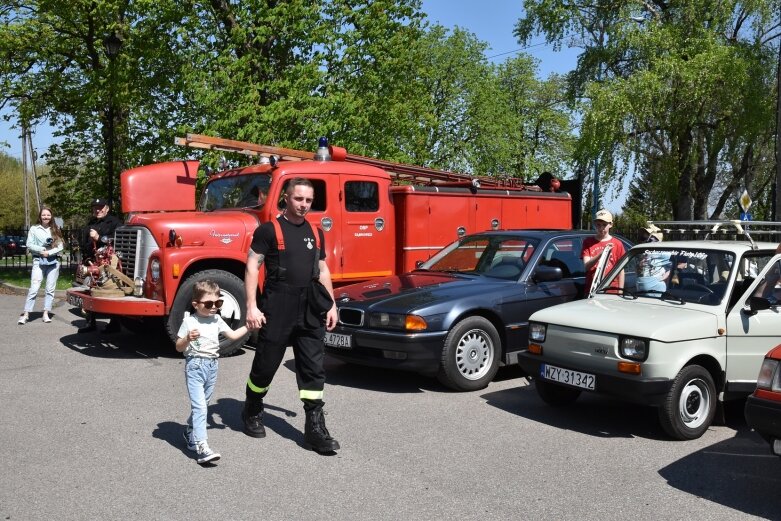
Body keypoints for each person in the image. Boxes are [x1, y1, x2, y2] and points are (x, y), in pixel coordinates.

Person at [241, 178, 341, 454]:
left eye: (308, 200)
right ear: (286, 198)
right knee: (266, 363)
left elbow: (322, 269)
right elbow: (252, 266)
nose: (304, 205)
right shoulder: (268, 231)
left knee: (313, 366)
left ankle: (314, 428)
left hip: (310, 304)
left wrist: (331, 304)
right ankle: (252, 406)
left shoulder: (317, 232)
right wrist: (251, 306)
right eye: (299, 199)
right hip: (278, 303)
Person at [176, 279, 249, 464]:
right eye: (209, 304)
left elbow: (232, 336)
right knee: (200, 407)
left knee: (203, 406)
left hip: (212, 366)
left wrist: (250, 327)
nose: (214, 307)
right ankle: (202, 447)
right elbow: (178, 347)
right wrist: (187, 338)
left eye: (218, 302)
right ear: (195, 304)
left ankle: (190, 432)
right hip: (195, 366)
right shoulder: (190, 321)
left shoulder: (217, 319)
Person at [78, 198, 123, 334]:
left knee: (112, 289)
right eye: (95, 207)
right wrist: (87, 259)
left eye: (100, 207)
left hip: (108, 263)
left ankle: (115, 323)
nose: (98, 210)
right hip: (92, 262)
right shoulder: (90, 223)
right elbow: (84, 243)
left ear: (107, 208)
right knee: (89, 290)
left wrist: (99, 237)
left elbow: (118, 240)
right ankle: (90, 322)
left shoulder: (115, 222)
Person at [18, 206, 64, 325]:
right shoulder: (34, 229)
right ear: (40, 216)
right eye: (44, 215)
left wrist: (49, 252)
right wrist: (42, 249)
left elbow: (60, 246)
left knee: (50, 289)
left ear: (51, 216)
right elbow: (29, 244)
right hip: (38, 261)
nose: (46, 217)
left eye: (48, 215)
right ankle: (26, 314)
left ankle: (46, 313)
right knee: (34, 288)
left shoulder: (55, 229)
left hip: (53, 262)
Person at [582, 209, 626, 293]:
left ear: (611, 225)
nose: (601, 228)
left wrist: (620, 291)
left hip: (612, 291)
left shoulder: (617, 244)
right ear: (594, 224)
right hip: (592, 290)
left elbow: (621, 270)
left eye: (604, 225)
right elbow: (587, 266)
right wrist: (602, 253)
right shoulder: (588, 242)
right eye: (598, 225)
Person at [636, 224, 672, 294]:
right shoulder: (642, 251)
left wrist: (662, 278)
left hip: (656, 290)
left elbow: (676, 265)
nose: (645, 238)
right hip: (640, 289)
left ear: (654, 238)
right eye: (644, 235)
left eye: (647, 235)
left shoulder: (664, 252)